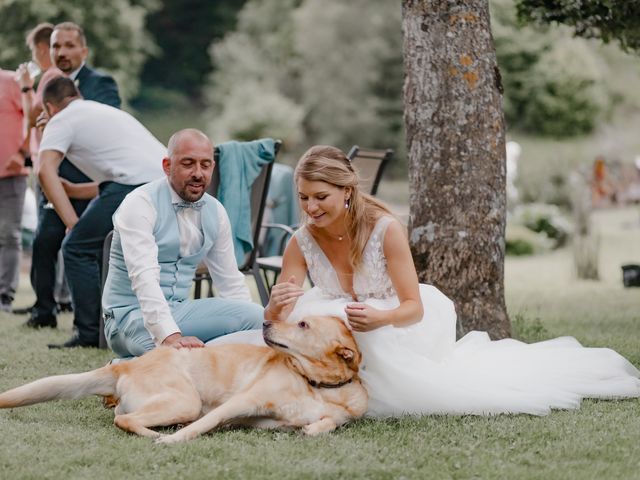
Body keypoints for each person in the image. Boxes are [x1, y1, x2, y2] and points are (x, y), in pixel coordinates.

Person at [219, 145, 639, 416]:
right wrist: (275, 306)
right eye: (304, 198)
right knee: (297, 339)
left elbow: (412, 307)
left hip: (397, 320)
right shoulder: (301, 241)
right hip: (331, 318)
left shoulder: (385, 229)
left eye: (320, 197)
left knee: (373, 348)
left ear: (346, 191)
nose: (310, 208)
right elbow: (281, 318)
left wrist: (380, 320)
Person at [102, 128, 263, 358]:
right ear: (167, 166)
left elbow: (231, 283)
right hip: (129, 316)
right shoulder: (140, 203)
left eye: (205, 165)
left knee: (257, 318)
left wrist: (246, 337)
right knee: (177, 358)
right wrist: (170, 338)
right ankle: (122, 368)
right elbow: (144, 278)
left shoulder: (216, 211)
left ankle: (153, 364)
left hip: (181, 310)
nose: (198, 173)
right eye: (188, 164)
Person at [38, 76, 165, 348]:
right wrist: (73, 191)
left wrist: (71, 222)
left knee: (76, 248)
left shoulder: (59, 119)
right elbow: (118, 180)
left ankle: (90, 333)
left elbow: (44, 170)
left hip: (135, 187)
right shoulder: (102, 111)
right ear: (76, 94)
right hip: (164, 184)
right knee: (99, 246)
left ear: (49, 107)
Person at [17, 21, 122, 329]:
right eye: (56, 47)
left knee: (85, 249)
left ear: (84, 50)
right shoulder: (47, 84)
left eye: (68, 46)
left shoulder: (102, 83)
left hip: (91, 183)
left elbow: (106, 124)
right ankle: (43, 311)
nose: (61, 52)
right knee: (43, 243)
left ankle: (94, 319)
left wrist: (62, 122)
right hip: (54, 180)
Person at [0, 68, 29, 312]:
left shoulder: (11, 81)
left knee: (9, 234)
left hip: (11, 175)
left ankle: (4, 297)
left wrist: (23, 154)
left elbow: (32, 117)